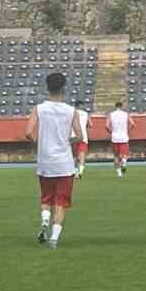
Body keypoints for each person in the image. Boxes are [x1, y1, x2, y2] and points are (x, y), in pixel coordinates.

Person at [25, 72, 79, 250]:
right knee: (61, 201)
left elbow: (28, 132)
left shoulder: (38, 109)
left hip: (45, 160)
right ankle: (54, 238)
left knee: (46, 198)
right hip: (63, 162)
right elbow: (79, 136)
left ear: (47, 88)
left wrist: (40, 143)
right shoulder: (71, 111)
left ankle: (44, 222)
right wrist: (66, 141)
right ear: (64, 88)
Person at [108, 99, 131, 177]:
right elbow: (133, 124)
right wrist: (127, 131)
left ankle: (119, 173)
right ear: (122, 106)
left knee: (116, 156)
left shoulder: (111, 114)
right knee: (125, 154)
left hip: (115, 137)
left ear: (115, 106)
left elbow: (106, 126)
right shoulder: (126, 114)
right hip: (124, 136)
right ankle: (124, 161)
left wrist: (111, 132)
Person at [72, 99, 90, 177]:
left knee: (74, 156)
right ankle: (81, 171)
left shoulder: (71, 113)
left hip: (73, 136)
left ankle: (76, 172)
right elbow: (91, 124)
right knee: (82, 154)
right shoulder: (86, 114)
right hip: (83, 136)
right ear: (81, 106)